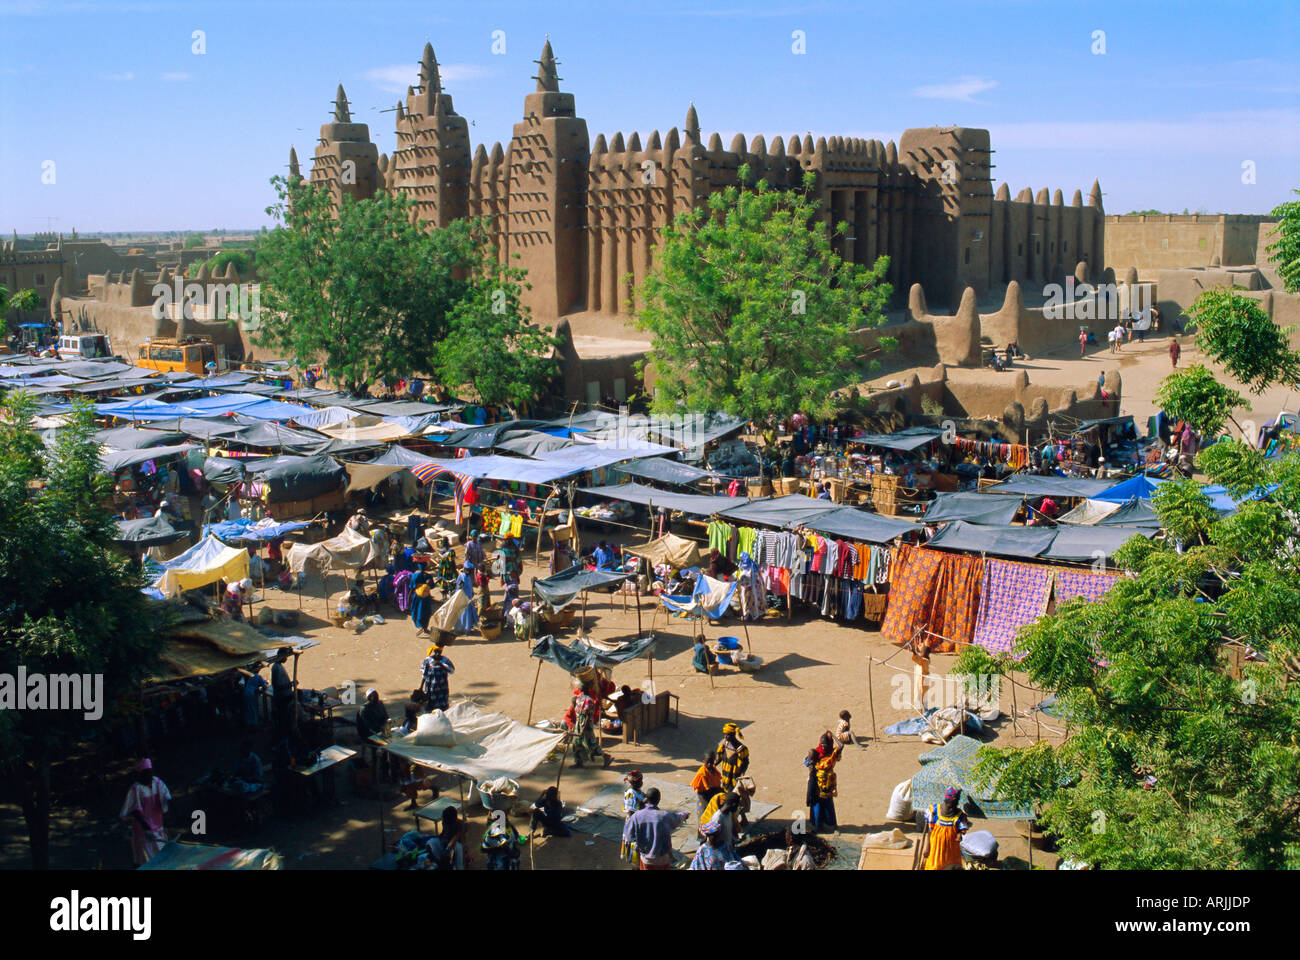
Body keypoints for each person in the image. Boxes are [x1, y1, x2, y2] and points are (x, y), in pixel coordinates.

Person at [621, 787, 688, 869]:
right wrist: (685, 814)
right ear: (659, 799)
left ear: (646, 798)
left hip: (646, 859)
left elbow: (628, 836)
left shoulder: (637, 816)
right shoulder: (664, 816)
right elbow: (678, 818)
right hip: (662, 859)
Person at [119, 758, 171, 866]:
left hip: (158, 826)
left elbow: (167, 798)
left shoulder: (157, 782)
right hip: (143, 831)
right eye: (146, 774)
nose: (149, 776)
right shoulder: (136, 789)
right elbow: (134, 811)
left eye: (150, 773)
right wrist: (146, 828)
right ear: (140, 774)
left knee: (162, 858)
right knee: (147, 860)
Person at [919, 786, 970, 870]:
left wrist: (960, 834)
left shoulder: (960, 815)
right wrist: (927, 847)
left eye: (955, 804)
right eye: (951, 805)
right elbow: (930, 831)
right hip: (935, 848)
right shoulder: (934, 811)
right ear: (947, 802)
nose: (952, 808)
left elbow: (962, 829)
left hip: (952, 849)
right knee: (934, 867)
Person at [570, 686, 612, 769]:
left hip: (585, 726)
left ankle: (605, 757)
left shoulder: (588, 701)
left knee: (590, 744)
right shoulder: (579, 699)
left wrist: (583, 728)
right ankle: (579, 761)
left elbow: (588, 716)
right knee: (576, 743)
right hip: (579, 724)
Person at [809, 743, 842, 832]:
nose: (823, 747)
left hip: (827, 788)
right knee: (817, 808)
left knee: (828, 808)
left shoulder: (829, 760)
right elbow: (807, 761)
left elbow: (840, 746)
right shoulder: (817, 758)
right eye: (822, 744)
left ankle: (829, 825)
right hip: (818, 789)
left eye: (825, 744)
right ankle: (818, 825)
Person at [713, 722, 749, 793]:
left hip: (734, 777)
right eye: (725, 735)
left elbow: (746, 763)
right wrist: (713, 765)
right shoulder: (725, 745)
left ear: (733, 734)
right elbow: (719, 757)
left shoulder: (741, 749)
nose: (725, 737)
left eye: (728, 735)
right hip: (725, 775)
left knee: (733, 794)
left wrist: (741, 774)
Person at [421, 645, 455, 712]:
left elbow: (452, 670)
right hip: (430, 687)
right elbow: (424, 674)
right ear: (433, 651)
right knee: (430, 705)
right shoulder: (428, 660)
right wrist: (421, 686)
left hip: (442, 687)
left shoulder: (445, 660)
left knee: (442, 706)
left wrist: (441, 664)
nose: (437, 654)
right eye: (436, 652)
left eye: (439, 652)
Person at [270, 648, 295, 736]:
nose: (286, 658)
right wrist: (290, 685)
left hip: (284, 696)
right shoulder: (276, 667)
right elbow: (277, 686)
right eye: (285, 656)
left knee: (285, 718)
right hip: (282, 698)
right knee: (283, 719)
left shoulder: (278, 666)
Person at [691, 754, 724, 818]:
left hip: (713, 791)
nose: (709, 764)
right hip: (703, 793)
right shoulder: (702, 773)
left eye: (711, 762)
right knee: (708, 809)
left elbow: (716, 783)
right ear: (703, 761)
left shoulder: (713, 769)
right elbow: (703, 788)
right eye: (707, 762)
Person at [409, 563, 435, 636]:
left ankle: (420, 626)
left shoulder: (415, 576)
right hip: (426, 596)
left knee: (416, 611)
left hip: (417, 596)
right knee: (426, 611)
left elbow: (411, 587)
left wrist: (408, 598)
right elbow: (432, 586)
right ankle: (425, 627)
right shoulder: (429, 576)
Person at [454, 562, 479, 634]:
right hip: (463, 598)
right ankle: (464, 629)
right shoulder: (462, 577)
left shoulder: (467, 576)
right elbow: (459, 587)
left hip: (468, 598)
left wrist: (472, 592)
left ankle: (467, 628)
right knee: (465, 614)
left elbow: (469, 586)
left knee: (468, 613)